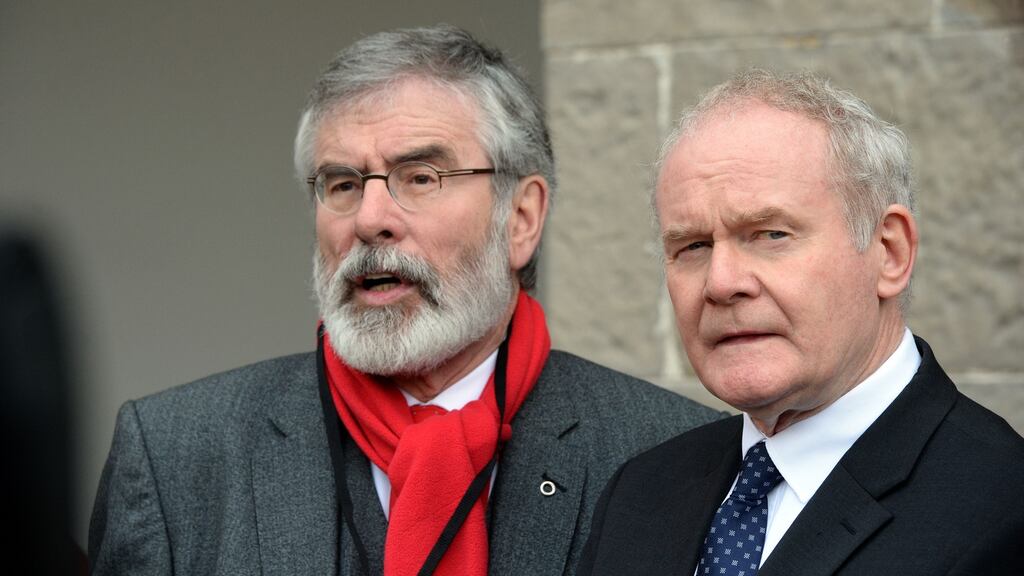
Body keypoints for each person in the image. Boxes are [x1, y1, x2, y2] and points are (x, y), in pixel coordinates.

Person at [88, 25, 722, 576]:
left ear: (522, 218)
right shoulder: (176, 459)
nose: (369, 218)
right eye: (341, 183)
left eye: (420, 178)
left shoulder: (671, 458)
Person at [578, 69, 1024, 576]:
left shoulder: (1003, 509)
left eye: (770, 234)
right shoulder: (641, 491)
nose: (721, 283)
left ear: (890, 253)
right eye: (693, 246)